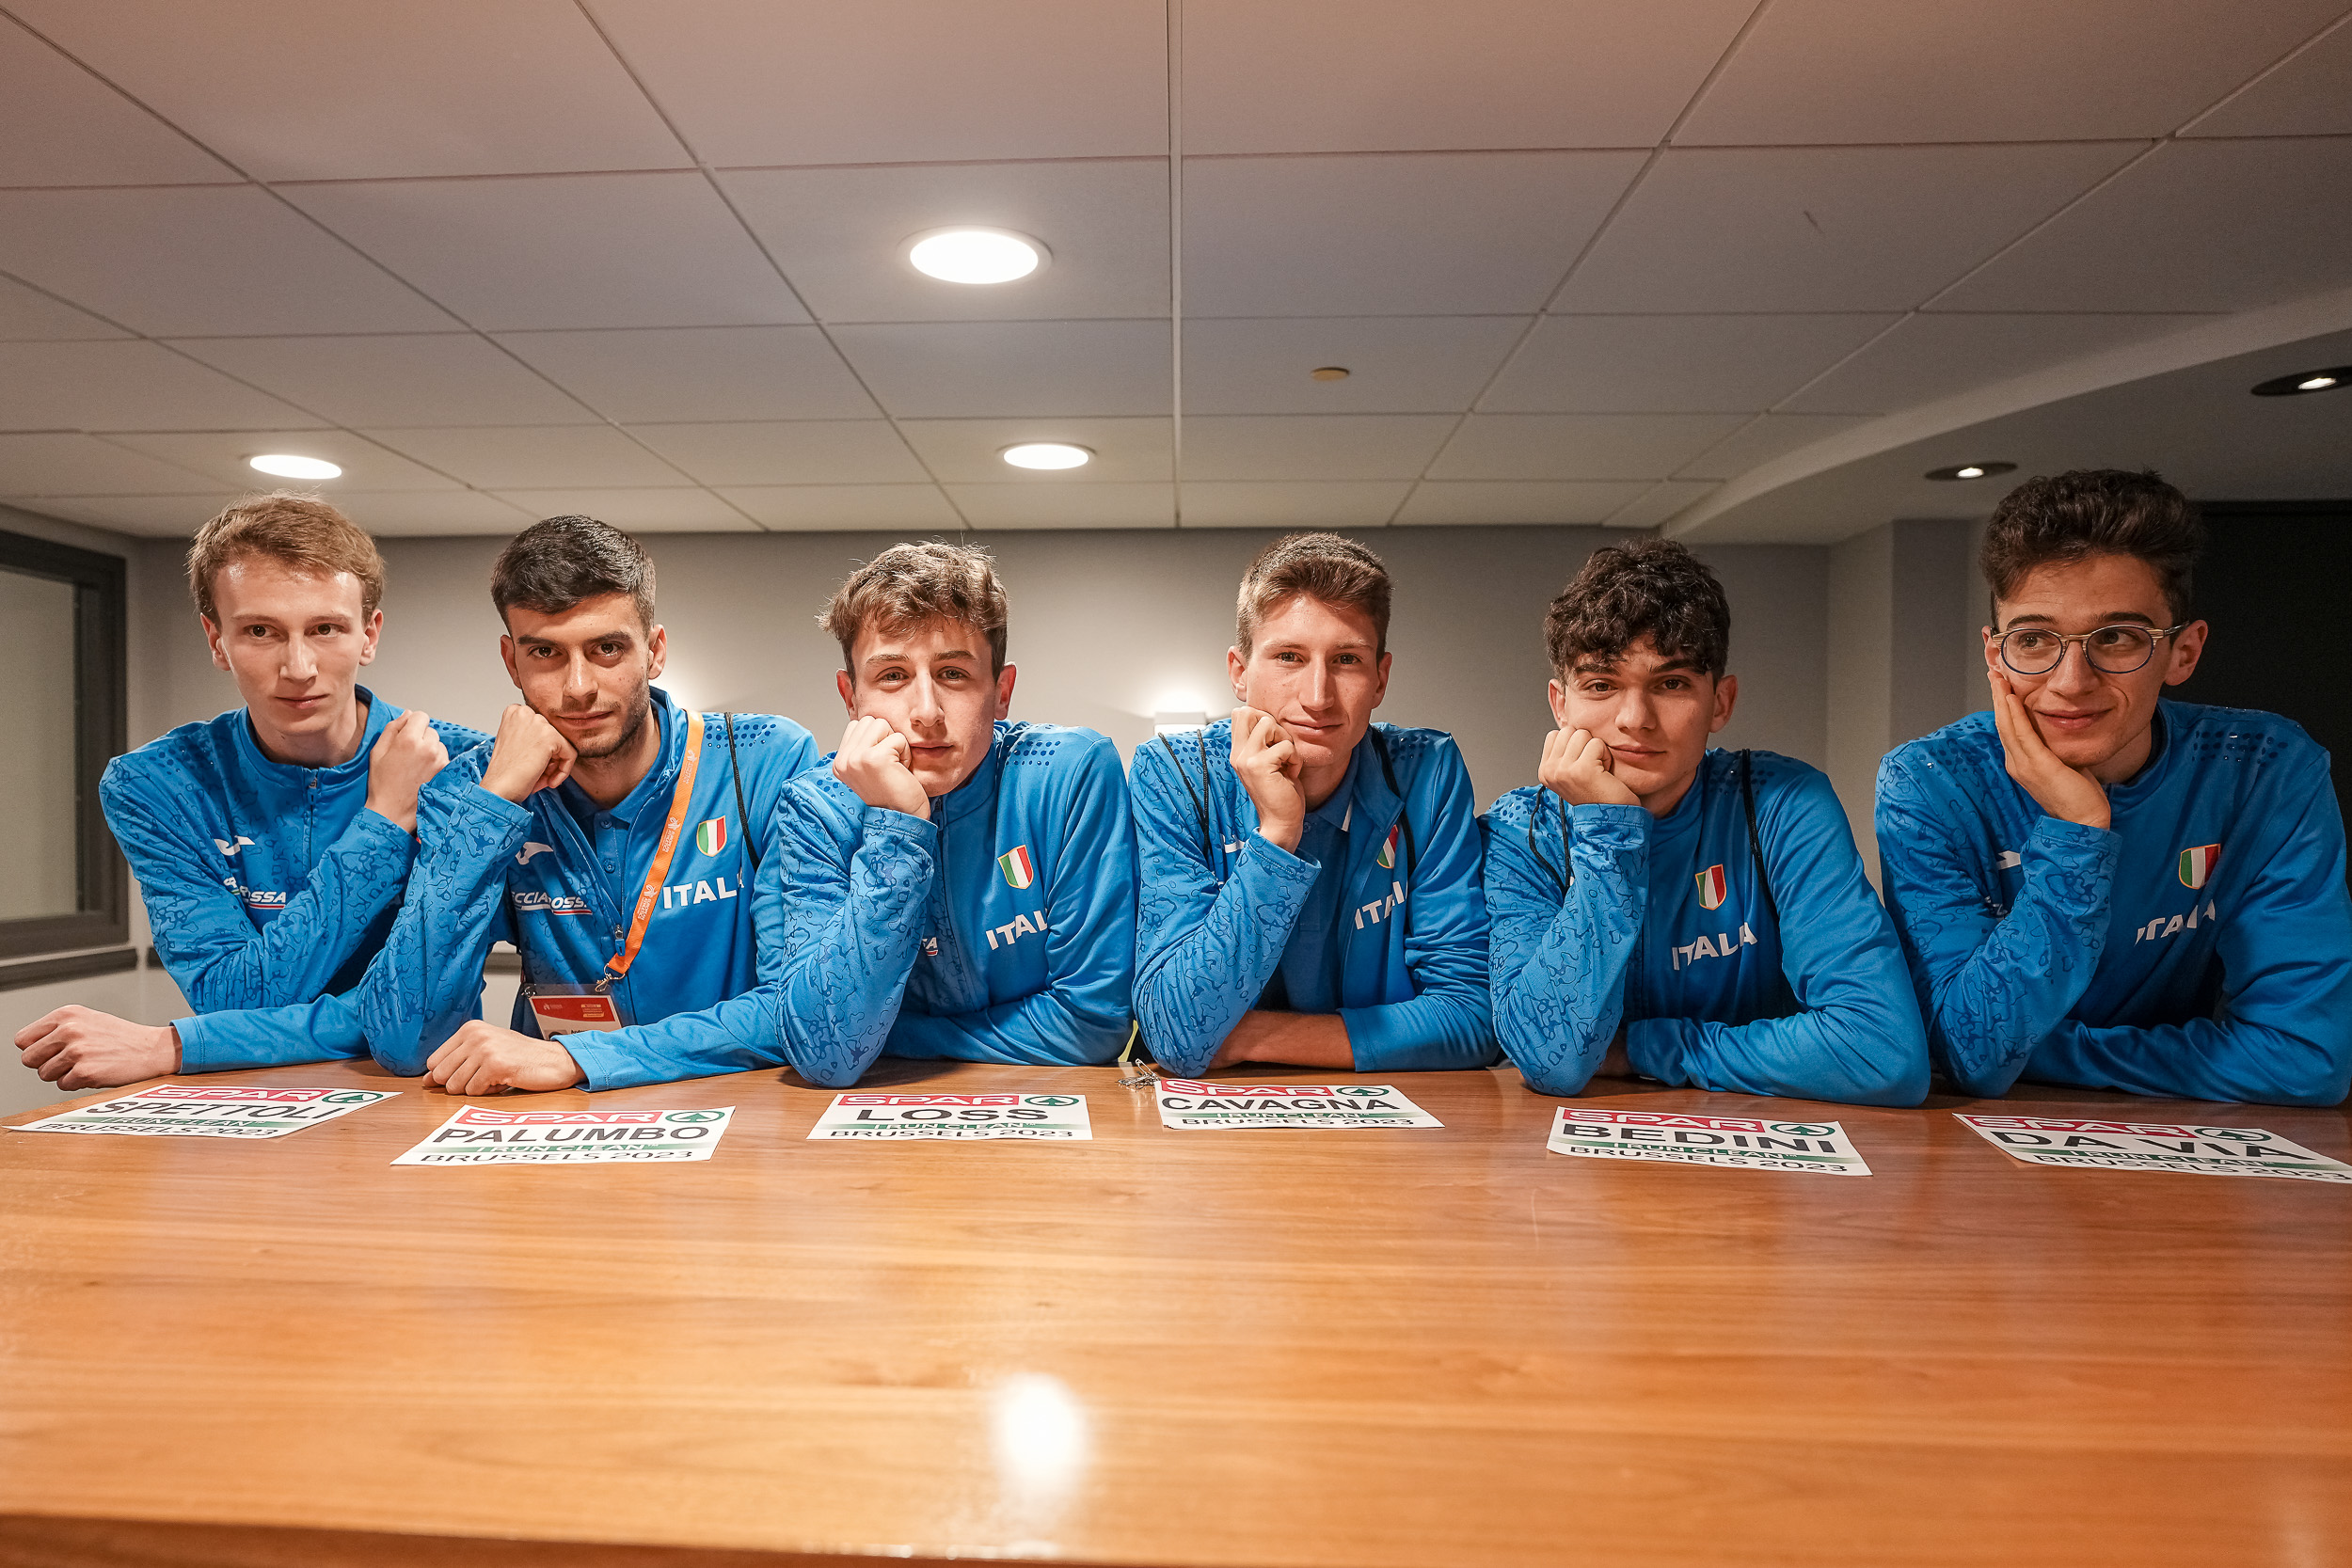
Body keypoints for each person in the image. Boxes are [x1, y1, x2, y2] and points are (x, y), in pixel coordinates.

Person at [1878, 469, 2351, 1106]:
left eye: (2117, 637)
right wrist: (2076, 832)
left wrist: (2044, 1052)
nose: (2071, 681)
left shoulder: (2264, 767)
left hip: (2180, 1136)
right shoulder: (1932, 780)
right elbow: (1973, 1054)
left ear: (2183, 652)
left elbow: (2305, 1058)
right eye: (2034, 639)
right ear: (1995, 656)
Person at [14, 494, 482, 1090]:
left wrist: (177, 1045)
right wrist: (385, 820)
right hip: (241, 1098)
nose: (299, 667)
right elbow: (236, 996)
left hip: (424, 1092)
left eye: (326, 629)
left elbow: (420, 1023)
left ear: (369, 635)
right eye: (261, 631)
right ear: (216, 640)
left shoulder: (467, 768)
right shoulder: (157, 784)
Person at [358, 515, 818, 1095]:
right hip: (553, 1120)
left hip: (732, 1110)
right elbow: (403, 1040)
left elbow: (798, 1010)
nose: (578, 687)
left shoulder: (762, 759)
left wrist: (580, 1057)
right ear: (511, 661)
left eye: (606, 648)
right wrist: (494, 805)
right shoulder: (474, 789)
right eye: (545, 652)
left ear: (654, 652)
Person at [1481, 539, 1927, 1105]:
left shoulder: (1782, 802)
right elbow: (1550, 1062)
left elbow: (1883, 1052)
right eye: (1601, 685)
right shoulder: (1521, 831)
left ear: (1720, 701)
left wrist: (1645, 1048)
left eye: (1671, 684)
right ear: (1560, 704)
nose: (1635, 719)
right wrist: (1610, 832)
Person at [745, 541, 1136, 1082]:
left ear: (1001, 692)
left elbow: (1092, 1023)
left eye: (953, 673)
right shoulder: (816, 807)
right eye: (892, 676)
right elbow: (822, 1052)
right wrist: (898, 828)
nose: (926, 713)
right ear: (850, 697)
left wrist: (890, 1037)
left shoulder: (1069, 774)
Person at [1131, 532, 1495, 1076]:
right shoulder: (1176, 774)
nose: (1318, 696)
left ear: (1380, 679)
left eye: (1346, 659)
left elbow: (1472, 1016)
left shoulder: (1425, 770)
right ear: (1239, 672)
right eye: (1289, 657)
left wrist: (1254, 1037)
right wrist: (1278, 834)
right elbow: (1175, 1032)